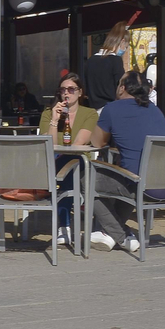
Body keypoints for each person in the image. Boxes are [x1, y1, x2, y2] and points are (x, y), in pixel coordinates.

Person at [87, 69, 165, 254]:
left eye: (118, 83)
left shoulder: (112, 108)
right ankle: (106, 233)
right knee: (126, 175)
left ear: (122, 88)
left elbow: (97, 143)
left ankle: (122, 235)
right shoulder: (154, 109)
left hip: (142, 185)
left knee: (85, 179)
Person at [48, 72, 98, 245]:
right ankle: (64, 226)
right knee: (66, 168)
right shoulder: (49, 113)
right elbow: (50, 145)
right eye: (63, 90)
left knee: (70, 166)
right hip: (53, 162)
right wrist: (54, 121)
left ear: (80, 92)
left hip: (79, 162)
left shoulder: (89, 113)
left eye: (71, 89)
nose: (66, 93)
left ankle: (64, 226)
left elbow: (78, 144)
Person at [84, 21, 130, 110]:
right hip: (111, 109)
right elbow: (121, 88)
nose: (125, 50)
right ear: (122, 41)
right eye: (126, 46)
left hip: (93, 110)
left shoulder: (90, 60)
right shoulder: (115, 60)